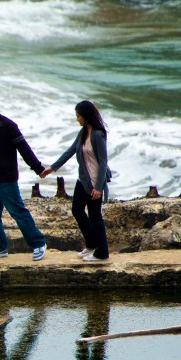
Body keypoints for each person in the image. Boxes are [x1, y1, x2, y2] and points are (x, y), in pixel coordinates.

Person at [0, 92, 49, 261]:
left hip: (6, 179)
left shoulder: (8, 125)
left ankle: (38, 244)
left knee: (18, 212)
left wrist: (38, 168)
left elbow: (24, 148)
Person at [40, 100, 111, 262]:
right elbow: (71, 151)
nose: (77, 119)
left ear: (86, 116)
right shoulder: (83, 132)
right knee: (77, 210)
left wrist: (99, 187)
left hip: (95, 181)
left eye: (78, 116)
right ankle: (92, 243)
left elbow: (103, 162)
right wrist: (52, 168)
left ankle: (102, 253)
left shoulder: (98, 134)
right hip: (83, 180)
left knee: (95, 216)